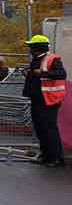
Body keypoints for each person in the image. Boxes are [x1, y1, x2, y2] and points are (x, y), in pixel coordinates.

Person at [23, 35, 66, 167]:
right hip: (37, 99)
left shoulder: (52, 59)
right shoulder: (36, 59)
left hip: (49, 101)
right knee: (40, 129)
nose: (29, 50)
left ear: (38, 48)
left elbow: (61, 74)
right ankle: (45, 155)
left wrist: (42, 73)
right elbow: (36, 76)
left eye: (31, 47)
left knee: (49, 129)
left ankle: (56, 158)